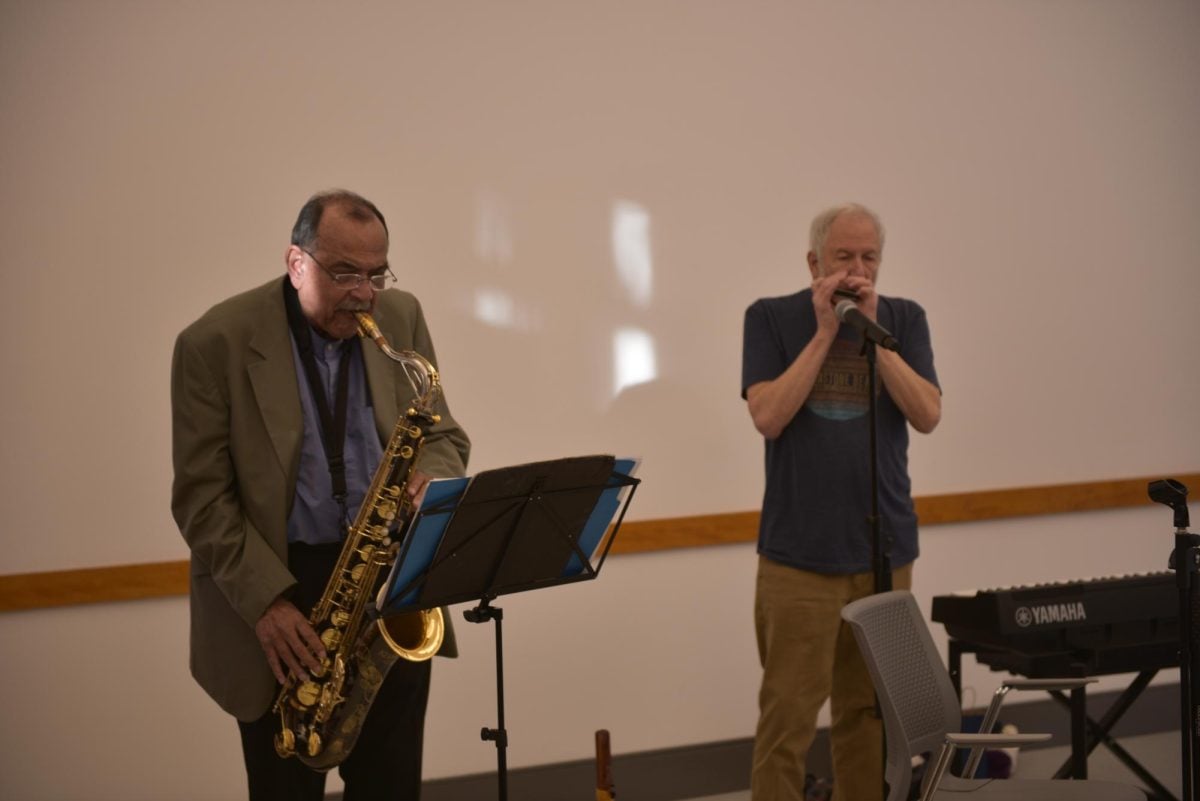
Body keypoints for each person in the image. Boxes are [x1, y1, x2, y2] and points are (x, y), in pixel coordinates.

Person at [171, 189, 470, 800]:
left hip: (384, 578)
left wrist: (432, 476)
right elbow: (202, 500)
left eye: (375, 274)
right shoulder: (213, 343)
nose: (364, 294)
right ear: (296, 262)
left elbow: (443, 435)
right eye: (343, 274)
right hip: (279, 590)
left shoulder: (401, 315)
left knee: (391, 787)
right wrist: (267, 604)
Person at [741, 203, 941, 800]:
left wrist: (875, 341)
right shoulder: (770, 318)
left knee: (870, 718)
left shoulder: (903, 319)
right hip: (798, 558)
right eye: (843, 258)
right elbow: (769, 416)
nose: (857, 270)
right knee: (788, 721)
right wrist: (827, 332)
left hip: (884, 552)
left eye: (868, 258)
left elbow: (928, 413)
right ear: (814, 263)